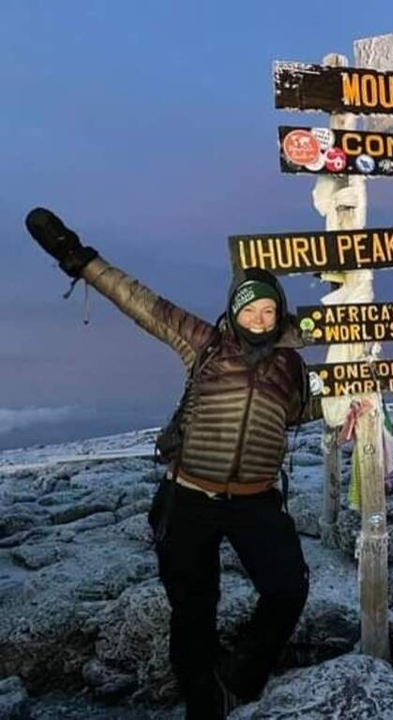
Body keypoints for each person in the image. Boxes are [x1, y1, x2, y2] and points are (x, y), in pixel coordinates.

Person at [25, 207, 324, 719]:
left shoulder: (292, 367)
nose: (258, 320)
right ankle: (202, 699)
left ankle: (239, 677)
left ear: (279, 315)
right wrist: (79, 259)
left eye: (268, 312)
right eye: (250, 311)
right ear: (234, 311)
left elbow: (306, 411)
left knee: (288, 589)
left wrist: (361, 395)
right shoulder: (204, 343)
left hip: (256, 503)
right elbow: (140, 301)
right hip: (189, 497)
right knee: (192, 607)